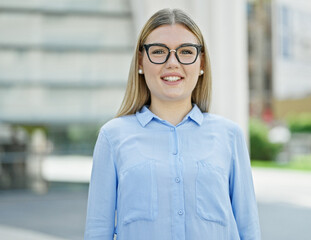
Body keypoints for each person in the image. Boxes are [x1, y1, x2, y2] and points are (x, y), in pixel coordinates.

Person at [84, 8, 261, 240]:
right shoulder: (112, 137)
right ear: (140, 61)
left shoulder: (229, 136)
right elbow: (97, 232)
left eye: (186, 52)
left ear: (201, 63)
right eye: (158, 51)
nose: (172, 63)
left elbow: (249, 230)